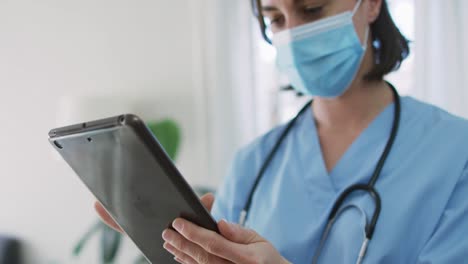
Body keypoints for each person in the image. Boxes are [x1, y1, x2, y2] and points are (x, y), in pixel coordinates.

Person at [96, 0, 468, 263]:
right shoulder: (253, 163)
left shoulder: (455, 153)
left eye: (312, 9)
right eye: (275, 18)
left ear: (371, 4)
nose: (294, 33)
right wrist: (175, 246)